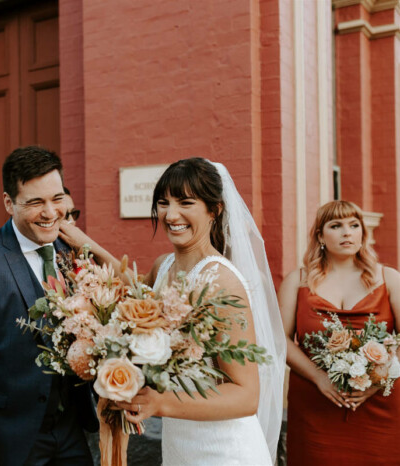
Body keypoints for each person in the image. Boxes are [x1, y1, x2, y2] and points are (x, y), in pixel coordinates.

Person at [60, 157, 286, 465]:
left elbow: (246, 396)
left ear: (214, 210)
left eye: (186, 202)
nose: (171, 214)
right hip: (181, 442)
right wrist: (85, 244)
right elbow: (133, 287)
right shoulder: (163, 264)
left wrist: (160, 402)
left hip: (223, 449)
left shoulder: (221, 281)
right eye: (164, 202)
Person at [0, 146, 98, 466]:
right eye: (35, 202)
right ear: (8, 203)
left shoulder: (70, 250)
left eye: (57, 199)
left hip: (71, 430)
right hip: (12, 439)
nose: (50, 212)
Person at [278, 200, 400, 465]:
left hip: (380, 405)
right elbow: (281, 340)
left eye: (354, 225)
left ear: (362, 234)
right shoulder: (297, 281)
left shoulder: (389, 278)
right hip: (315, 403)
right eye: (336, 225)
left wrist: (376, 381)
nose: (347, 232)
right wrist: (320, 377)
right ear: (320, 236)